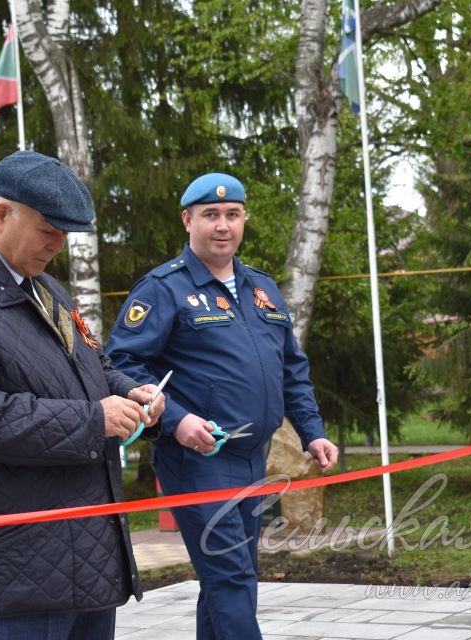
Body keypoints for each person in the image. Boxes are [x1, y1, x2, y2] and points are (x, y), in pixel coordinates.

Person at [0, 150, 164, 640]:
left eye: (65, 233)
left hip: (79, 565)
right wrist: (93, 421)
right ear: (1, 215)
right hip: (6, 580)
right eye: (48, 230)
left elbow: (93, 364)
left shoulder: (46, 288)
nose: (58, 245)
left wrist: (133, 394)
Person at [106, 172, 339, 640]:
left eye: (232, 214)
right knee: (231, 576)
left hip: (253, 457)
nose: (222, 225)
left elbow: (290, 368)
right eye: (211, 215)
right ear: (187, 220)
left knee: (229, 577)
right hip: (199, 459)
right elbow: (123, 363)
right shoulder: (163, 289)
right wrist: (175, 420)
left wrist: (312, 431)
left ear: (243, 219)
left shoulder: (262, 289)